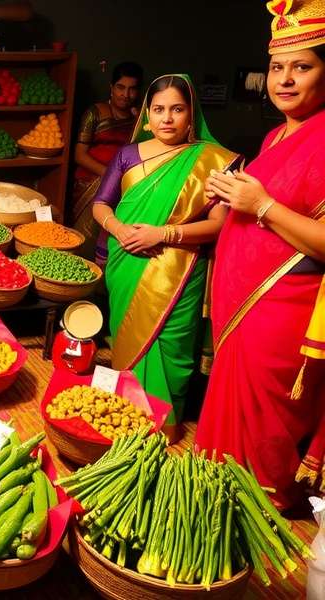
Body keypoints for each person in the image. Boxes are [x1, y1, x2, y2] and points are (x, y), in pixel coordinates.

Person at [196, 0, 325, 510]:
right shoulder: (276, 135)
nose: (285, 79)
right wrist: (229, 195)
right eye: (277, 67)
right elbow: (255, 212)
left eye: (302, 67)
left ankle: (263, 510)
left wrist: (262, 204)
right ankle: (218, 501)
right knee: (229, 421)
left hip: (281, 313)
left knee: (267, 422)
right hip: (240, 309)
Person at [92, 74, 238, 441]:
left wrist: (165, 234)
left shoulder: (213, 160)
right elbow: (100, 204)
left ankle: (163, 425)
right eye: (158, 110)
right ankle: (123, 418)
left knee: (172, 347)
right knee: (125, 335)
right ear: (146, 114)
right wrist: (118, 229)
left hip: (181, 269)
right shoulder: (127, 154)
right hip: (126, 260)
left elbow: (219, 225)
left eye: (177, 109)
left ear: (192, 115)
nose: (167, 118)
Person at [70, 62, 143, 262]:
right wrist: (110, 175)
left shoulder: (141, 119)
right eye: (120, 87)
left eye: (132, 89)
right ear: (111, 87)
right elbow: (79, 155)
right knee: (86, 238)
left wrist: (141, 123)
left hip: (125, 187)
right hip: (90, 185)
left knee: (114, 237)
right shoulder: (95, 112)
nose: (125, 94)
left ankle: (103, 283)